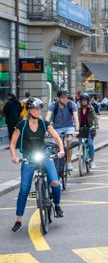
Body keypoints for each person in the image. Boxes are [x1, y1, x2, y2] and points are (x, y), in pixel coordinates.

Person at [9, 98, 65, 232]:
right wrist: (14, 156)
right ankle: (18, 220)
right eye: (35, 109)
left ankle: (57, 205)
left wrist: (61, 150)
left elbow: (57, 138)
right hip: (29, 158)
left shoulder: (44, 123)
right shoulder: (21, 125)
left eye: (40, 109)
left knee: (56, 182)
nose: (38, 111)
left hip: (45, 156)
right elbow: (12, 143)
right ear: (29, 110)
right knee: (24, 190)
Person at [46, 90, 79, 171]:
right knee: (53, 145)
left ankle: (69, 161)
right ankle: (54, 164)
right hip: (57, 128)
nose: (65, 99)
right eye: (63, 97)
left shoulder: (72, 104)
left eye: (66, 97)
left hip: (69, 127)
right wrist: (46, 130)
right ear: (59, 98)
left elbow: (76, 118)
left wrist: (77, 130)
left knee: (69, 139)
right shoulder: (54, 105)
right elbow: (47, 118)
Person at [77, 94, 99, 169]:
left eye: (85, 100)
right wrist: (74, 125)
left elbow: (95, 117)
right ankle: (80, 155)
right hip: (81, 128)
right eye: (82, 100)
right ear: (80, 101)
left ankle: (92, 160)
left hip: (90, 128)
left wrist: (96, 125)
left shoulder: (91, 108)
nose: (84, 102)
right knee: (80, 144)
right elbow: (75, 117)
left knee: (90, 144)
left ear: (88, 101)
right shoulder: (78, 109)